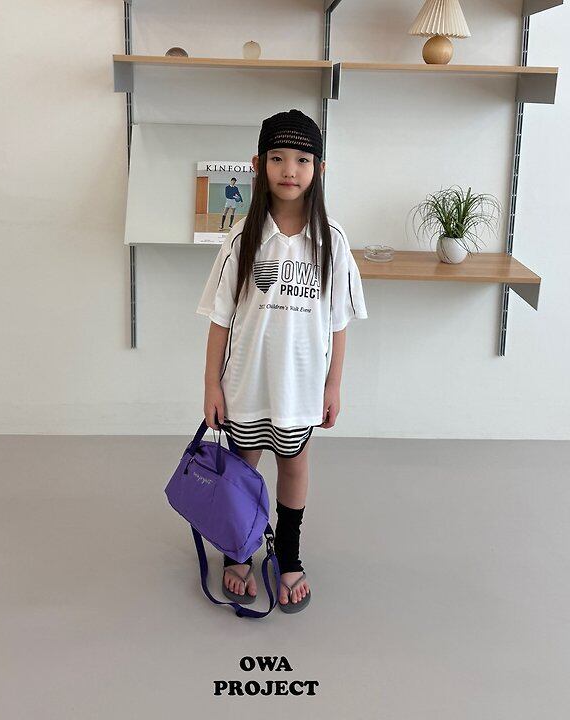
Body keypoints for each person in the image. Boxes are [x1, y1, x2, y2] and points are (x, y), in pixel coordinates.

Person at [195, 109, 368, 613]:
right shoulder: (240, 239)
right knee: (242, 469)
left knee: (293, 465)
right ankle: (239, 552)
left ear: (319, 169)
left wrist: (333, 386)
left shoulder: (332, 241)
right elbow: (219, 320)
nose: (289, 170)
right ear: (258, 164)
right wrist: (211, 386)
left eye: (302, 159)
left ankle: (288, 555)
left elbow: (338, 324)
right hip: (245, 387)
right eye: (277, 158)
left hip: (300, 390)